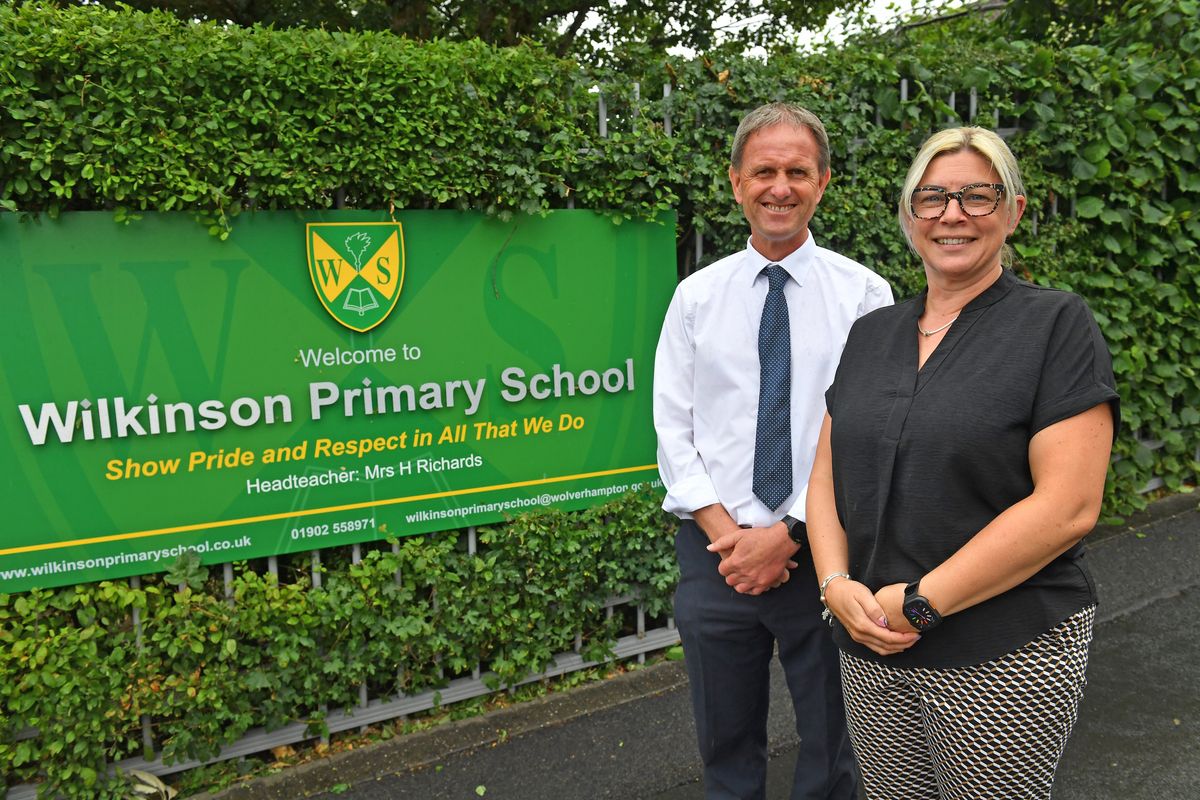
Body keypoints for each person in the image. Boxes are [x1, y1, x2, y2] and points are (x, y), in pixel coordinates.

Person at [806, 126, 1120, 800]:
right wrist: (833, 584)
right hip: (873, 643)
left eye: (979, 196)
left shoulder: (1056, 326)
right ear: (909, 214)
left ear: (1014, 211)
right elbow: (826, 475)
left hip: (1004, 650)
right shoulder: (871, 333)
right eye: (933, 197)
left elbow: (1068, 506)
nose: (953, 214)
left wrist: (923, 603)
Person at [653, 102, 893, 799]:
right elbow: (673, 428)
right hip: (717, 559)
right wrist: (730, 539)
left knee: (836, 747)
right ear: (736, 183)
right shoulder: (696, 298)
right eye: (763, 171)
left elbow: (869, 433)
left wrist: (788, 534)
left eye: (797, 171)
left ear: (823, 183)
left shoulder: (866, 296)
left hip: (827, 554)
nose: (779, 187)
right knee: (724, 745)